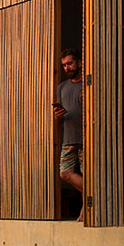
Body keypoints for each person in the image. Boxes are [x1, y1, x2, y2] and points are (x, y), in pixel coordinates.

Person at [54, 49, 84, 221]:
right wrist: (58, 116)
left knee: (86, 173)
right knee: (65, 174)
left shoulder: (88, 84)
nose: (67, 67)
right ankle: (94, 195)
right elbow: (57, 120)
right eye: (64, 65)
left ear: (79, 63)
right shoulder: (62, 88)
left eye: (70, 63)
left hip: (86, 138)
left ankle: (85, 210)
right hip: (68, 138)